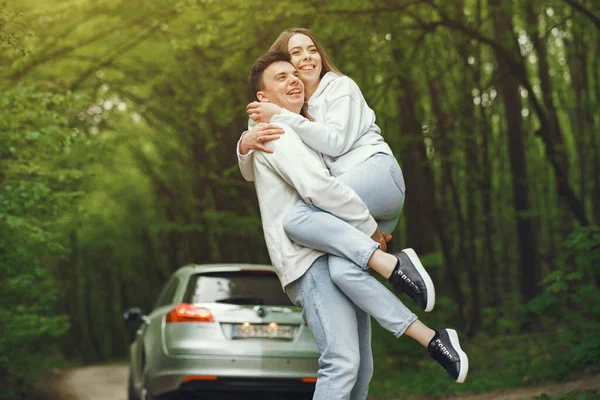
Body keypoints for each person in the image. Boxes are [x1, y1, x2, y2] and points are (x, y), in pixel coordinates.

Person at [240, 51, 468, 400]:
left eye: (293, 74)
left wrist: (242, 145)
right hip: (308, 261)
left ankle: (430, 335)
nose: (293, 80)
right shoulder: (275, 132)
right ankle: (396, 273)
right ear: (262, 98)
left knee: (360, 368)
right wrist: (368, 229)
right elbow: (319, 189)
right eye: (281, 78)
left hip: (329, 251)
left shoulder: (297, 127)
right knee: (342, 362)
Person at [237, 28, 434, 311]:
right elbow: (254, 165)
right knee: (342, 272)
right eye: (296, 52)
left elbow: (336, 142)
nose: (307, 57)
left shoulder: (340, 87)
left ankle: (396, 264)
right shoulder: (292, 102)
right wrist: (244, 144)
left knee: (296, 220)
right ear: (284, 64)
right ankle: (428, 335)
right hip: (353, 197)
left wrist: (280, 116)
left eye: (312, 49)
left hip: (375, 174)